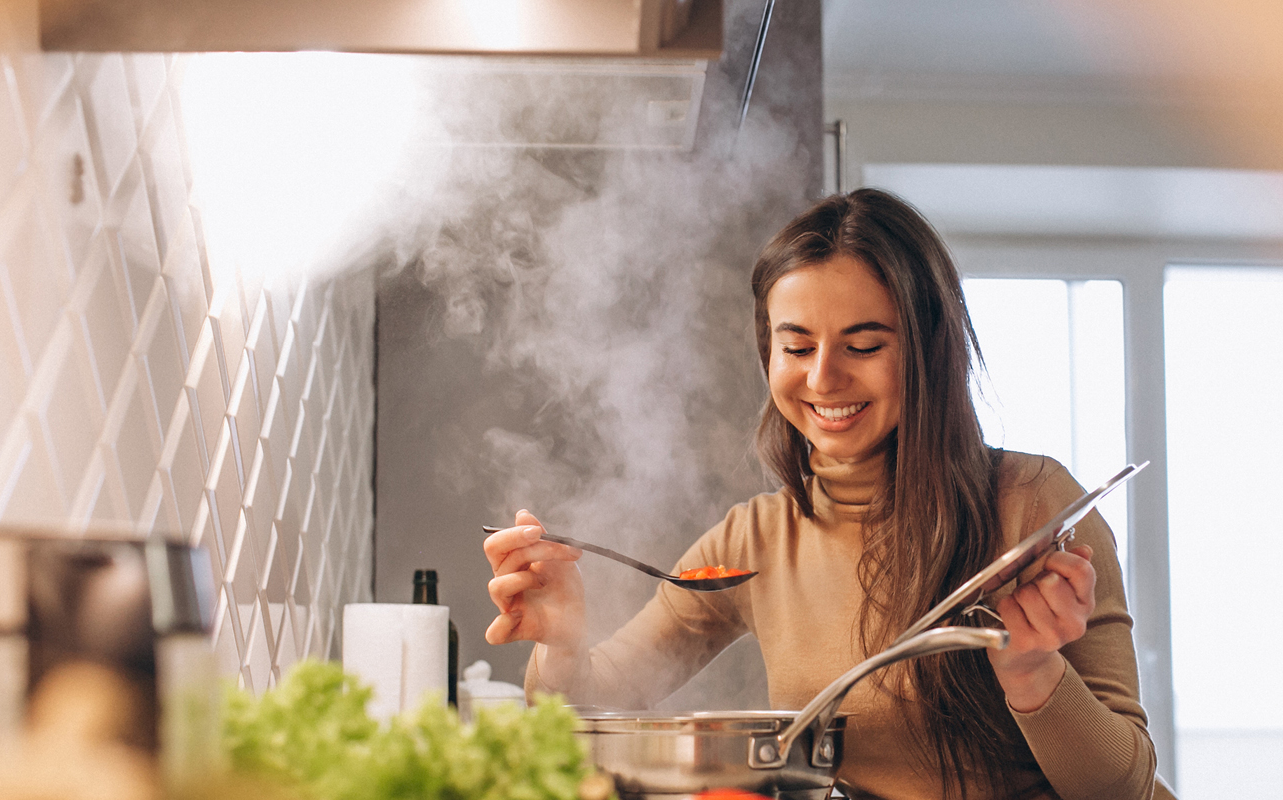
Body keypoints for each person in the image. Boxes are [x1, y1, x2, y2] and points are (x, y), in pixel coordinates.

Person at [482, 189, 1170, 800]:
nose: (823, 377)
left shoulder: (1032, 503)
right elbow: (587, 710)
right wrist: (564, 643)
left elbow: (1126, 788)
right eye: (797, 345)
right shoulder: (754, 540)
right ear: (768, 352)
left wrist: (1031, 668)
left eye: (863, 345)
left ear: (929, 348)